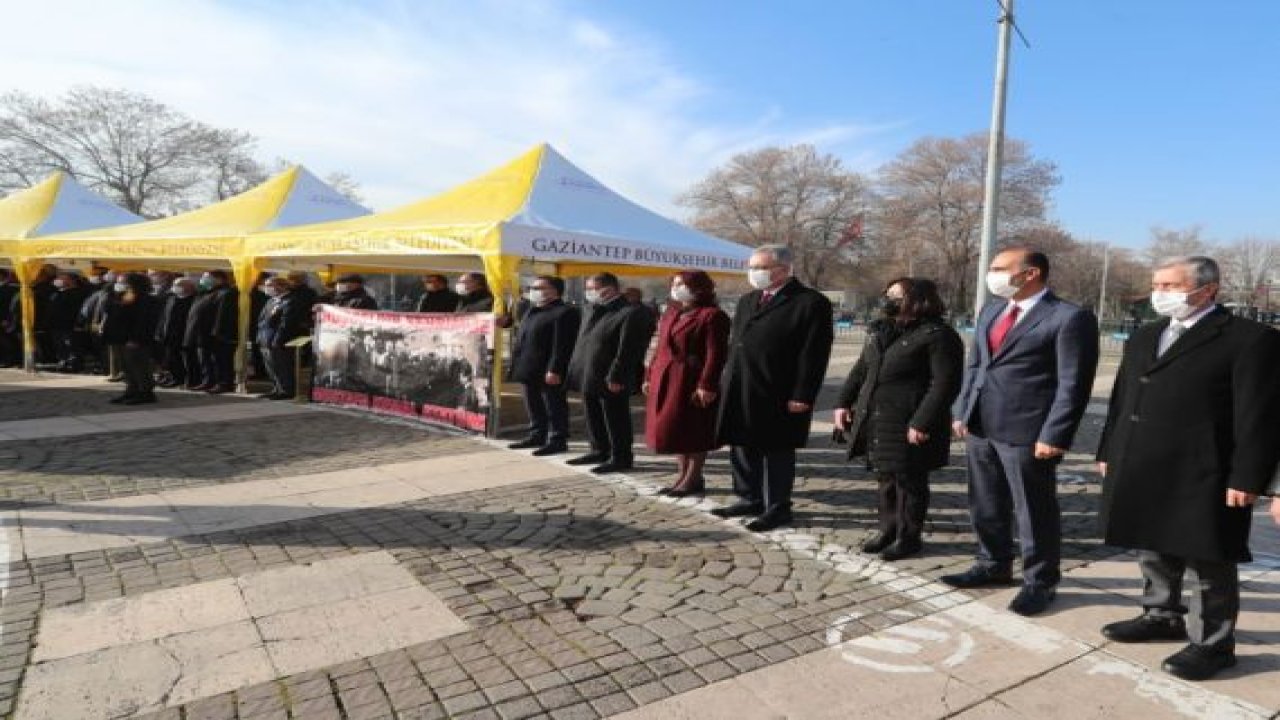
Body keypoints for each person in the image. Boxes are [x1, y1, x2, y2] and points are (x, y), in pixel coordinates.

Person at [1096, 256, 1280, 681]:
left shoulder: (1249, 339)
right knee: (1151, 544)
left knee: (1208, 557)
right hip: (1142, 461)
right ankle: (1161, 613)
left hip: (1206, 469)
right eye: (1156, 283)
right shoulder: (1146, 335)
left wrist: (1250, 477)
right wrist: (1109, 449)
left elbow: (1261, 416)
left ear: (1207, 289)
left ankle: (1213, 644)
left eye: (1170, 284)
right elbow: (1123, 398)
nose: (1159, 292)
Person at [944, 246, 1099, 617]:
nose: (991, 274)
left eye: (999, 268)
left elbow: (1072, 384)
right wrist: (962, 409)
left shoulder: (1068, 317)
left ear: (1030, 273)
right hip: (982, 424)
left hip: (1029, 430)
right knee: (985, 501)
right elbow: (976, 364)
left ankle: (1040, 581)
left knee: (1033, 509)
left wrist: (1055, 434)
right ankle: (993, 564)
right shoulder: (993, 309)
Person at [833, 278, 964, 560]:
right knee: (885, 476)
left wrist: (922, 422)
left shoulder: (938, 334)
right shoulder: (882, 329)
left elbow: (945, 384)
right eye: (887, 294)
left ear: (918, 299)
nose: (888, 300)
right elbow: (861, 369)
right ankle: (887, 529)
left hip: (910, 419)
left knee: (910, 480)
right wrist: (843, 402)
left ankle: (908, 536)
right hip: (878, 416)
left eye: (895, 296)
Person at [714, 244, 834, 532]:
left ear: (782, 269)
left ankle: (777, 506)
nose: (753, 273)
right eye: (752, 267)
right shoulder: (748, 300)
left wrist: (803, 394)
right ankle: (747, 496)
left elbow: (813, 354)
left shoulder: (810, 302)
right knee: (741, 442)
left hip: (779, 390)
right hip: (742, 384)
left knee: (776, 449)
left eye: (759, 268)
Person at [644, 271, 731, 497]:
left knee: (694, 428)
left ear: (699, 287)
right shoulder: (671, 313)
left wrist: (707, 384)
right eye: (674, 283)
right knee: (673, 429)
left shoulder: (712, 315)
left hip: (691, 378)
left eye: (682, 284)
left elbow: (716, 354)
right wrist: (649, 375)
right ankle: (682, 474)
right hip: (666, 376)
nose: (676, 288)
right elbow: (659, 348)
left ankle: (693, 477)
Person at [567, 272, 654, 473]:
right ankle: (598, 449)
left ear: (610, 289)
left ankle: (620, 456)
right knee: (593, 414)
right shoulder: (592, 309)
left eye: (593, 289)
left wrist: (617, 375)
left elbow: (629, 349)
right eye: (587, 288)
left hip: (611, 375)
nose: (589, 293)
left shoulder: (629, 312)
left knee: (615, 417)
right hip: (589, 371)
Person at [507, 276, 581, 455]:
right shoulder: (532, 310)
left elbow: (562, 345)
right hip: (528, 367)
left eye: (539, 287)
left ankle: (557, 439)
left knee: (553, 405)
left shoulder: (565, 312)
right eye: (533, 287)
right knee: (533, 403)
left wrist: (555, 368)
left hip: (548, 369)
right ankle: (537, 434)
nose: (533, 290)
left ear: (554, 291)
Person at [101, 272, 161, 405]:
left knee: (139, 366)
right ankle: (131, 390)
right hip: (121, 338)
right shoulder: (124, 297)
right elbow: (110, 311)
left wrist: (136, 339)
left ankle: (145, 393)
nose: (120, 284)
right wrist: (115, 297)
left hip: (136, 340)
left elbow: (144, 322)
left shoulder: (147, 300)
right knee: (127, 367)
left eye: (124, 282)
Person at [255, 276, 312, 400]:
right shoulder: (270, 301)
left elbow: (286, 323)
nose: (267, 288)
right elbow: (262, 320)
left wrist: (278, 339)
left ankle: (286, 390)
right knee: (271, 367)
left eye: (270, 285)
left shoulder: (291, 301)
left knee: (282, 366)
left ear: (281, 286)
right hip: (265, 339)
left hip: (279, 340)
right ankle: (276, 388)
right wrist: (260, 338)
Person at [185, 270, 240, 393]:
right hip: (201, 333)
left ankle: (224, 383)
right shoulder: (205, 293)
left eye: (206, 277)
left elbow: (223, 315)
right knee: (205, 360)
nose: (203, 280)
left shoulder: (226, 293)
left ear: (219, 279)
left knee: (220, 361)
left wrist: (218, 332)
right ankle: (208, 381)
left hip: (215, 334)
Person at [155, 277, 196, 388]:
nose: (175, 287)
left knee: (185, 360)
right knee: (171, 358)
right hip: (169, 334)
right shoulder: (172, 299)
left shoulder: (194, 300)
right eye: (174, 284)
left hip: (183, 334)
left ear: (189, 287)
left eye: (179, 285)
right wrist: (160, 331)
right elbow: (164, 317)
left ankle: (186, 379)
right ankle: (175, 378)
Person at [48, 272, 88, 372]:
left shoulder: (78, 293)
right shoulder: (58, 293)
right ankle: (64, 362)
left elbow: (77, 310)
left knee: (71, 346)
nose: (60, 280)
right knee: (60, 345)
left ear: (72, 280)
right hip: (56, 325)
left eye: (63, 278)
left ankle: (74, 365)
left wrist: (78, 323)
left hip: (69, 325)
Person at [0, 270, 20, 368]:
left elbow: (8, 306)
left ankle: (10, 360)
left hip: (5, 319)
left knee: (7, 341)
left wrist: (6, 319)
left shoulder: (10, 289)